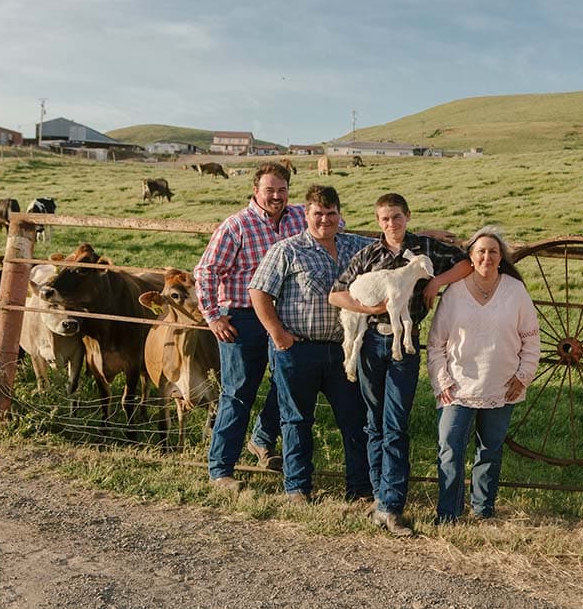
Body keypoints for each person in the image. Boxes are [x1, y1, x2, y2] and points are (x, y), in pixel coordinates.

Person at [329, 193, 472, 536]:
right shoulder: (368, 255)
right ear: (378, 222)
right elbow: (337, 294)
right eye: (384, 219)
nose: (391, 224)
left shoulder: (424, 248)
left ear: (407, 216)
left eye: (396, 217)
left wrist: (436, 281)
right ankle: (380, 499)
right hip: (371, 340)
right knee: (373, 422)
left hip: (402, 344)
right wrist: (371, 310)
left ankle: (391, 505)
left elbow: (466, 263)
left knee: (394, 423)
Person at [194, 162, 328, 490]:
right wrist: (213, 315)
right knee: (239, 392)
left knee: (291, 383)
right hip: (243, 316)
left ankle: (262, 436)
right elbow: (206, 270)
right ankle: (221, 470)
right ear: (256, 191)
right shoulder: (236, 226)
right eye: (269, 190)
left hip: (286, 316)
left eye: (282, 190)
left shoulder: (300, 217)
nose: (276, 196)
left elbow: (334, 228)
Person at [248, 185, 372, 503]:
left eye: (331, 213)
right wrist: (278, 334)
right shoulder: (287, 250)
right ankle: (298, 489)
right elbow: (259, 292)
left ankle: (359, 490)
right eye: (318, 213)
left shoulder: (356, 247)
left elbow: (391, 246)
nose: (325, 220)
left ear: (339, 215)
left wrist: (427, 236)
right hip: (298, 349)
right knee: (296, 420)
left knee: (354, 420)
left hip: (343, 350)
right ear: (306, 214)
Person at [426, 226, 540, 524]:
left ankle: (482, 511)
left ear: (501, 257)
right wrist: (442, 382)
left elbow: (531, 338)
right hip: (458, 386)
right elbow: (436, 342)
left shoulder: (515, 291)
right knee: (450, 449)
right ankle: (448, 514)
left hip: (502, 384)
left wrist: (523, 376)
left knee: (489, 451)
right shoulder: (455, 292)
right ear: (471, 257)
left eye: (493, 251)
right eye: (481, 251)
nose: (487, 256)